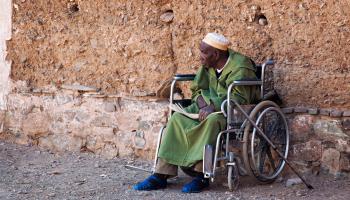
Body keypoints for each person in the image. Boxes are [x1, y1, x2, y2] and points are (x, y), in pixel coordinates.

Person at [133, 33, 260, 193]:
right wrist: (201, 103)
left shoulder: (240, 67)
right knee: (177, 118)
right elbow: (197, 89)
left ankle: (202, 176)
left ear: (215, 54)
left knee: (211, 122)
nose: (200, 56)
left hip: (229, 109)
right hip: (206, 106)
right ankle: (160, 175)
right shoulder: (209, 64)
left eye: (203, 52)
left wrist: (212, 107)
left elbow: (240, 98)